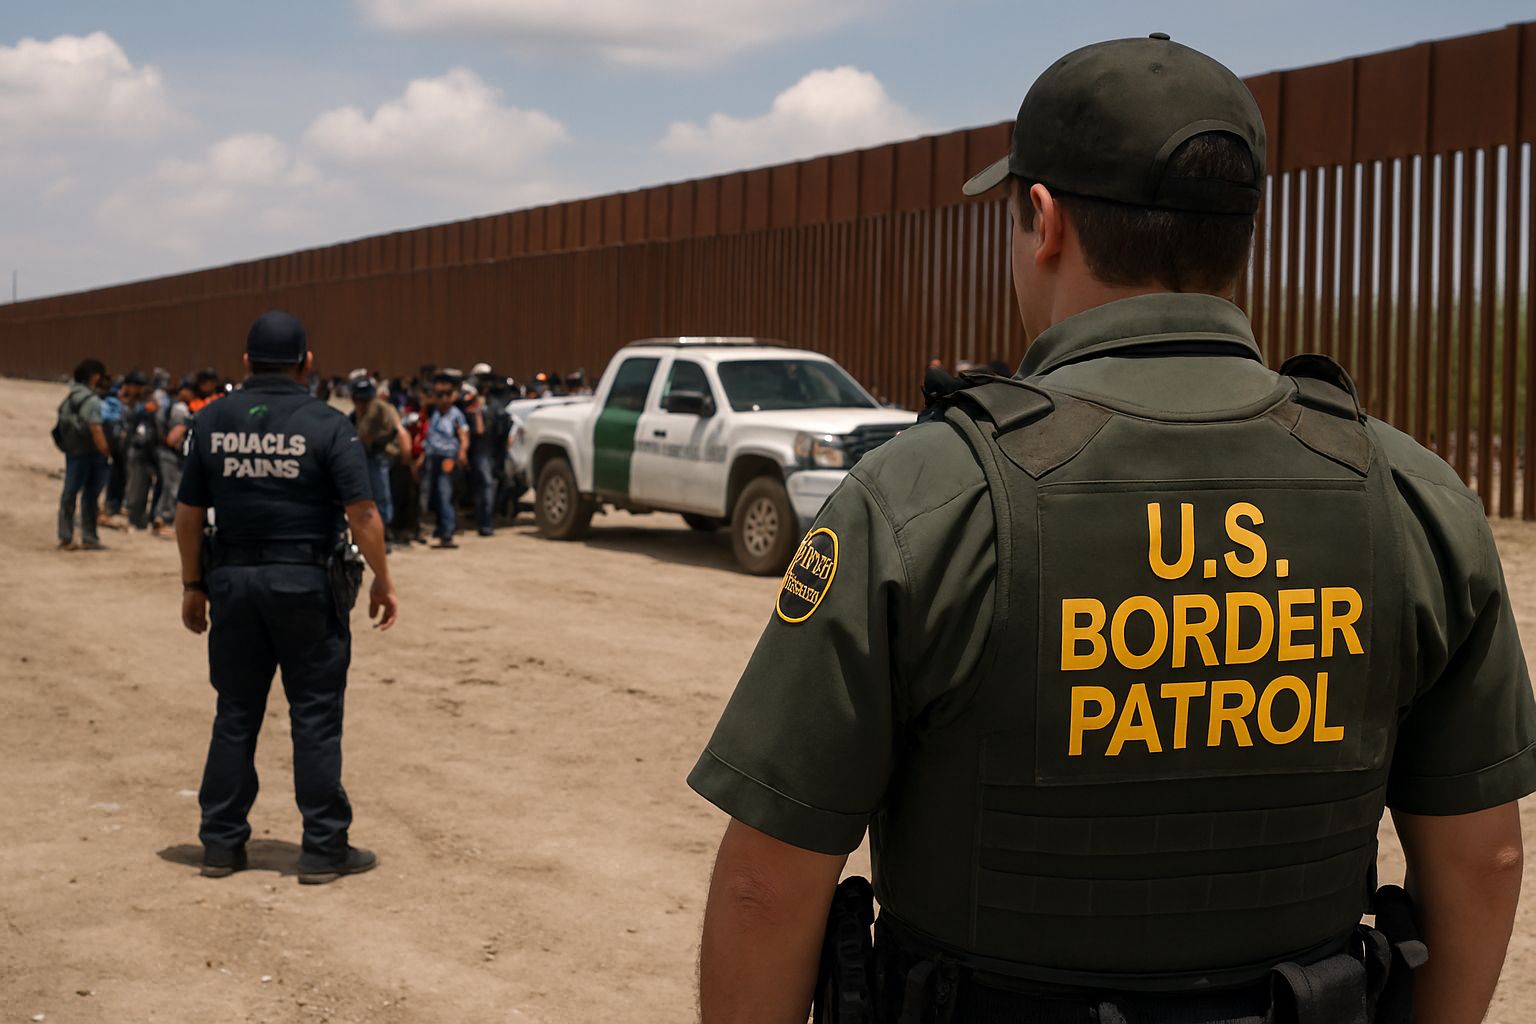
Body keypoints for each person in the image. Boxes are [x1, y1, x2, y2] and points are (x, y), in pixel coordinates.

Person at [690, 34, 1535, 1024]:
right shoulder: (1413, 494)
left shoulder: (924, 497)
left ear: (1042, 222)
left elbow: (766, 885)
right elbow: (1487, 855)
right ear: (1242, 233)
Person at [174, 310, 399, 885]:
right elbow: (363, 513)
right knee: (315, 718)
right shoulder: (328, 424)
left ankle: (221, 845)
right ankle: (323, 849)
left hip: (233, 585)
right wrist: (383, 578)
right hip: (305, 587)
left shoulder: (211, 420)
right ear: (307, 362)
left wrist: (193, 584)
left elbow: (188, 515)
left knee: (235, 713)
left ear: (246, 362)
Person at [55, 358, 113, 550]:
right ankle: (89, 537)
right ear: (95, 376)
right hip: (90, 453)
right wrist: (107, 451)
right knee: (89, 496)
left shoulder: (72, 396)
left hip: (74, 451)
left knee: (70, 492)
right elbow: (95, 428)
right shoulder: (90, 400)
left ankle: (66, 536)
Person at [348, 376, 410, 548]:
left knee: (380, 497)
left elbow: (365, 436)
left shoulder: (376, 409)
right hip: (369, 457)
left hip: (378, 456)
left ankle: (383, 536)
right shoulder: (365, 410)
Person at [417, 372, 468, 549]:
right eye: (439, 395)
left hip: (448, 457)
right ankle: (423, 529)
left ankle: (447, 533)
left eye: (447, 394)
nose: (444, 398)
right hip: (431, 457)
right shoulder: (433, 413)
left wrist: (462, 452)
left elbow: (464, 435)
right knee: (426, 493)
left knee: (444, 493)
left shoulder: (456, 415)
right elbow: (427, 435)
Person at [150, 375, 195, 539]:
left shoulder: (169, 404)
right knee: (172, 488)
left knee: (164, 486)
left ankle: (159, 519)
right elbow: (172, 438)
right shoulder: (180, 408)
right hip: (170, 453)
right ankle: (162, 520)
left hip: (163, 451)